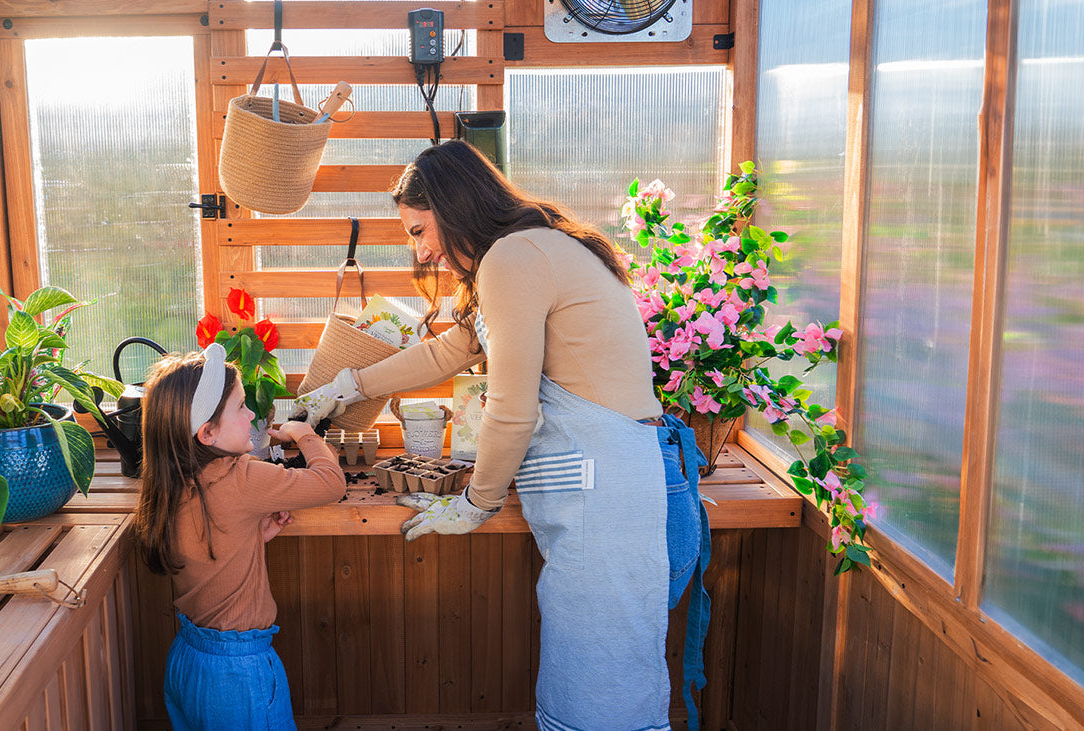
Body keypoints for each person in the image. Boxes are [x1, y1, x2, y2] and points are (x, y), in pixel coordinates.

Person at [294, 140, 713, 731]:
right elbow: (452, 349)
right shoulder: (529, 249)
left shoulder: (513, 258)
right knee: (605, 683)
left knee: (601, 700)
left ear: (453, 205)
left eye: (419, 231)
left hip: (610, 495)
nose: (421, 251)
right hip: (617, 485)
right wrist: (348, 384)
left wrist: (476, 503)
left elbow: (512, 408)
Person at [132, 344, 348, 730]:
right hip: (239, 676)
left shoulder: (170, 482)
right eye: (241, 406)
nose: (251, 414)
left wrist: (251, 537)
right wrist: (304, 435)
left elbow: (204, 549)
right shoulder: (241, 476)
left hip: (188, 660)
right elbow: (331, 483)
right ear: (207, 432)